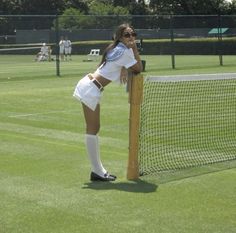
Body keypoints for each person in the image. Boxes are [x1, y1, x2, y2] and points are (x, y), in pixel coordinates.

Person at [73, 23, 143, 182]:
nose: (131, 37)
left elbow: (120, 64)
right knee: (93, 128)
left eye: (133, 34)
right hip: (90, 88)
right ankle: (97, 171)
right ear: (120, 37)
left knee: (94, 128)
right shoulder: (124, 51)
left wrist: (125, 67)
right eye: (127, 35)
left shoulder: (116, 48)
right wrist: (134, 49)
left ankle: (97, 171)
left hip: (91, 86)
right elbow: (138, 68)